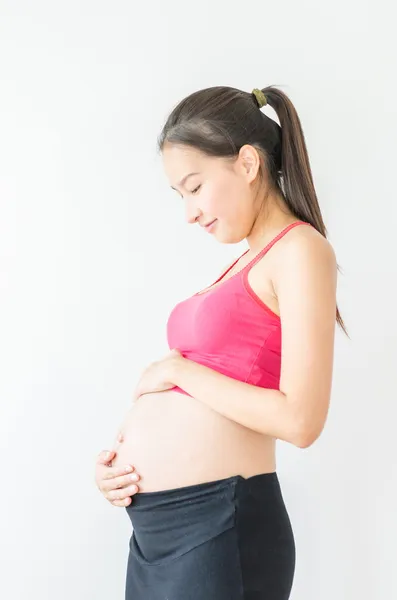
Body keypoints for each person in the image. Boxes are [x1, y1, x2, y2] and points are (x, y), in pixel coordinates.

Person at [94, 84, 347, 600]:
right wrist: (121, 465)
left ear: (248, 163)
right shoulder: (243, 264)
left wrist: (177, 371)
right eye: (180, 195)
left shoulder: (300, 249)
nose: (189, 212)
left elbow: (301, 421)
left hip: (218, 527)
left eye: (194, 186)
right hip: (158, 533)